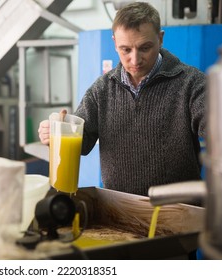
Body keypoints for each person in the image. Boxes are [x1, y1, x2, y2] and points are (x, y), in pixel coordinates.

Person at [37, 2, 206, 196]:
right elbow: (81, 143)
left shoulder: (192, 84)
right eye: (126, 49)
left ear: (160, 39)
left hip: (181, 212)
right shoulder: (101, 91)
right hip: (120, 213)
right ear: (114, 43)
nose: (135, 60)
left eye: (145, 48)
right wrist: (56, 131)